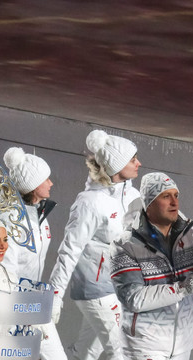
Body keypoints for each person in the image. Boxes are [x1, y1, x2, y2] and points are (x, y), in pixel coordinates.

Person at [110, 172, 193, 360]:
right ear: (149, 203)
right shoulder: (126, 245)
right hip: (144, 346)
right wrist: (182, 289)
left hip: (183, 343)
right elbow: (133, 298)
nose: (174, 202)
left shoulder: (191, 232)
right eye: (166, 196)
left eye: (176, 195)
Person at [49, 129, 142, 360]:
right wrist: (54, 296)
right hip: (95, 290)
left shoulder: (133, 196)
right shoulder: (89, 203)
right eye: (133, 159)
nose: (139, 163)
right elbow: (69, 250)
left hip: (118, 287)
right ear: (117, 166)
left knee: (86, 353)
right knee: (122, 352)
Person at [2, 146, 66, 359]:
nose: (51, 183)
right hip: (15, 307)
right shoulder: (10, 222)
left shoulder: (40, 216)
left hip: (34, 301)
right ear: (30, 186)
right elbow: (6, 272)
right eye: (45, 179)